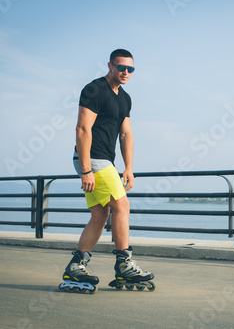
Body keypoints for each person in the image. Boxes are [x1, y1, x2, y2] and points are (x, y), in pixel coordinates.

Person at [59, 49, 154, 293]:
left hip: (106, 162)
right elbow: (82, 128)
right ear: (110, 66)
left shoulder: (125, 98)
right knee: (122, 206)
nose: (125, 72)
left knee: (100, 215)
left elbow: (126, 133)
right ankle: (125, 264)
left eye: (130, 69)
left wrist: (129, 168)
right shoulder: (94, 89)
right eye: (121, 67)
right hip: (93, 159)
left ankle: (76, 265)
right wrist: (86, 168)